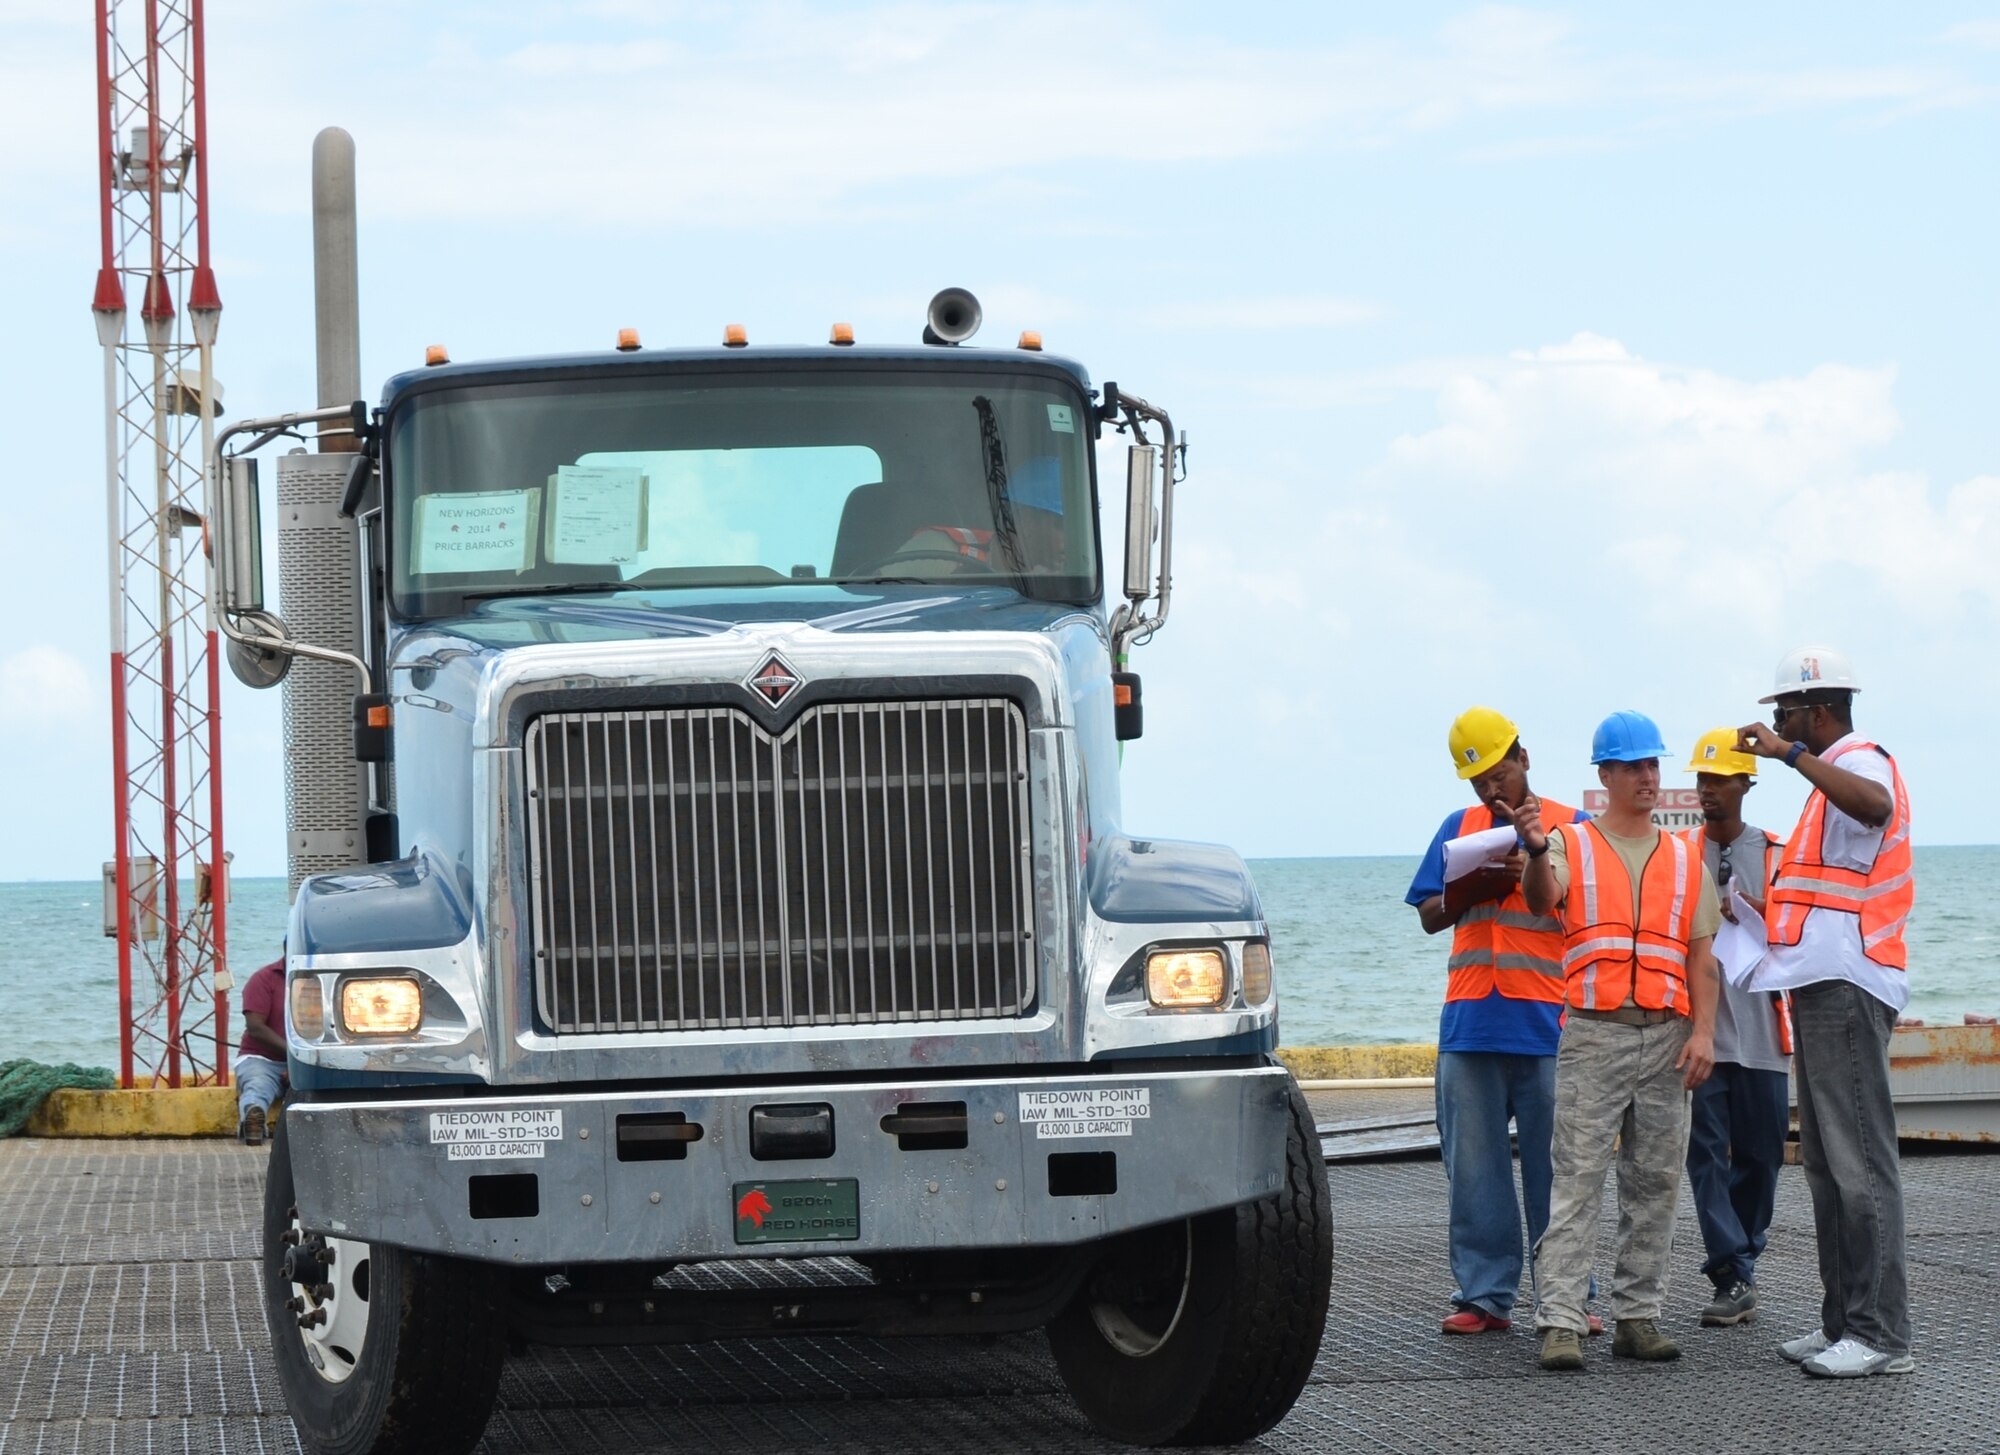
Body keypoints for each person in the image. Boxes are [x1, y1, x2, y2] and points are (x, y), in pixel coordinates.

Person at [1517, 710, 1720, 1373]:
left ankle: (1639, 1316)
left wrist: (1705, 1034)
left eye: (1653, 764)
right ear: (1605, 775)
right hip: (1594, 1034)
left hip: (1666, 1038)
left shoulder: (1687, 858)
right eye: (1633, 765)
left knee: (1655, 1183)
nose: (1648, 776)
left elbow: (1702, 959)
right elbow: (1542, 900)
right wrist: (1537, 852)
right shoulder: (1571, 844)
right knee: (1576, 1180)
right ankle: (1561, 1322)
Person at [1736, 646, 1915, 1379]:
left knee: (1859, 1162)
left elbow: (1876, 808)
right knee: (1825, 1166)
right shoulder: (1826, 784)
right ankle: (1843, 1320)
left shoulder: (1863, 761)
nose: (1776, 724)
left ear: (1816, 710)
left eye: (1784, 712)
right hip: (1819, 983)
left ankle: (1880, 1334)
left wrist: (1787, 755)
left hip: (1849, 982)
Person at [1406, 707, 1594, 1337]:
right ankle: (1484, 1295)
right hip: (1470, 1024)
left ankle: (1568, 1296)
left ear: (1524, 757)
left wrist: (1535, 870)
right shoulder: (1458, 828)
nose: (1490, 790)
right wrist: (1472, 888)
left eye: (1498, 773)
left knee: (1562, 1170)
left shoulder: (1576, 828)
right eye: (1478, 781)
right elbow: (1431, 914)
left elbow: (1596, 914)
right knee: (1475, 1172)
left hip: (1549, 1025)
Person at [1678, 728, 1794, 1328]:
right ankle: (1728, 1269)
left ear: (1747, 781)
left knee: (1761, 1156)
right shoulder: (1676, 855)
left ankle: (1742, 1263)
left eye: (1720, 779)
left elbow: (1804, 929)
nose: (1708, 791)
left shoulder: (1779, 853)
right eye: (1702, 779)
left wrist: (1756, 911)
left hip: (1764, 1032)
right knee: (1704, 1156)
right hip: (1700, 1034)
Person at [895, 457, 1067, 575]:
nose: (1075, 540)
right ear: (1025, 521)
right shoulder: (937, 549)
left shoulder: (1060, 591)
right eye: (1062, 526)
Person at [234, 953, 287, 1146]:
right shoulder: (264, 979)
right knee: (258, 1083)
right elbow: (255, 1028)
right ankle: (253, 1116)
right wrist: (295, 1059)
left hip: (308, 1058)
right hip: (262, 1058)